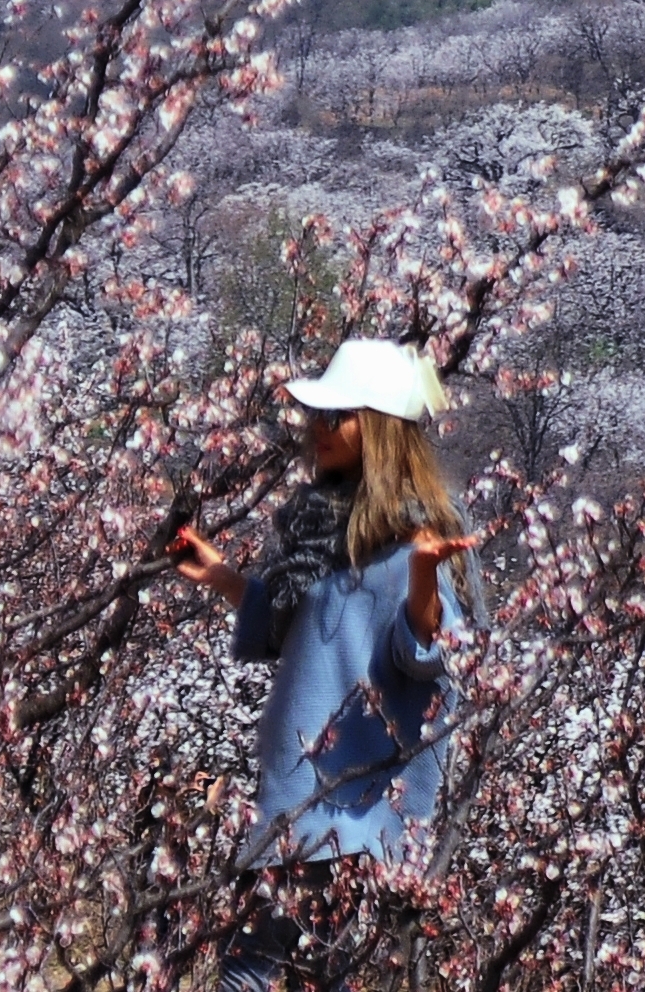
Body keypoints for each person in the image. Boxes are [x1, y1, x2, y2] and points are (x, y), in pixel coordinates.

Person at [172, 340, 478, 989]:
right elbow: (313, 634)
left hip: (346, 801)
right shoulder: (335, 532)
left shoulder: (409, 541)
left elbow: (426, 651)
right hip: (308, 791)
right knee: (310, 967)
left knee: (257, 968)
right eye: (319, 414)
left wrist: (423, 578)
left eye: (337, 415)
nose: (319, 428)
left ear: (380, 431)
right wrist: (225, 577)